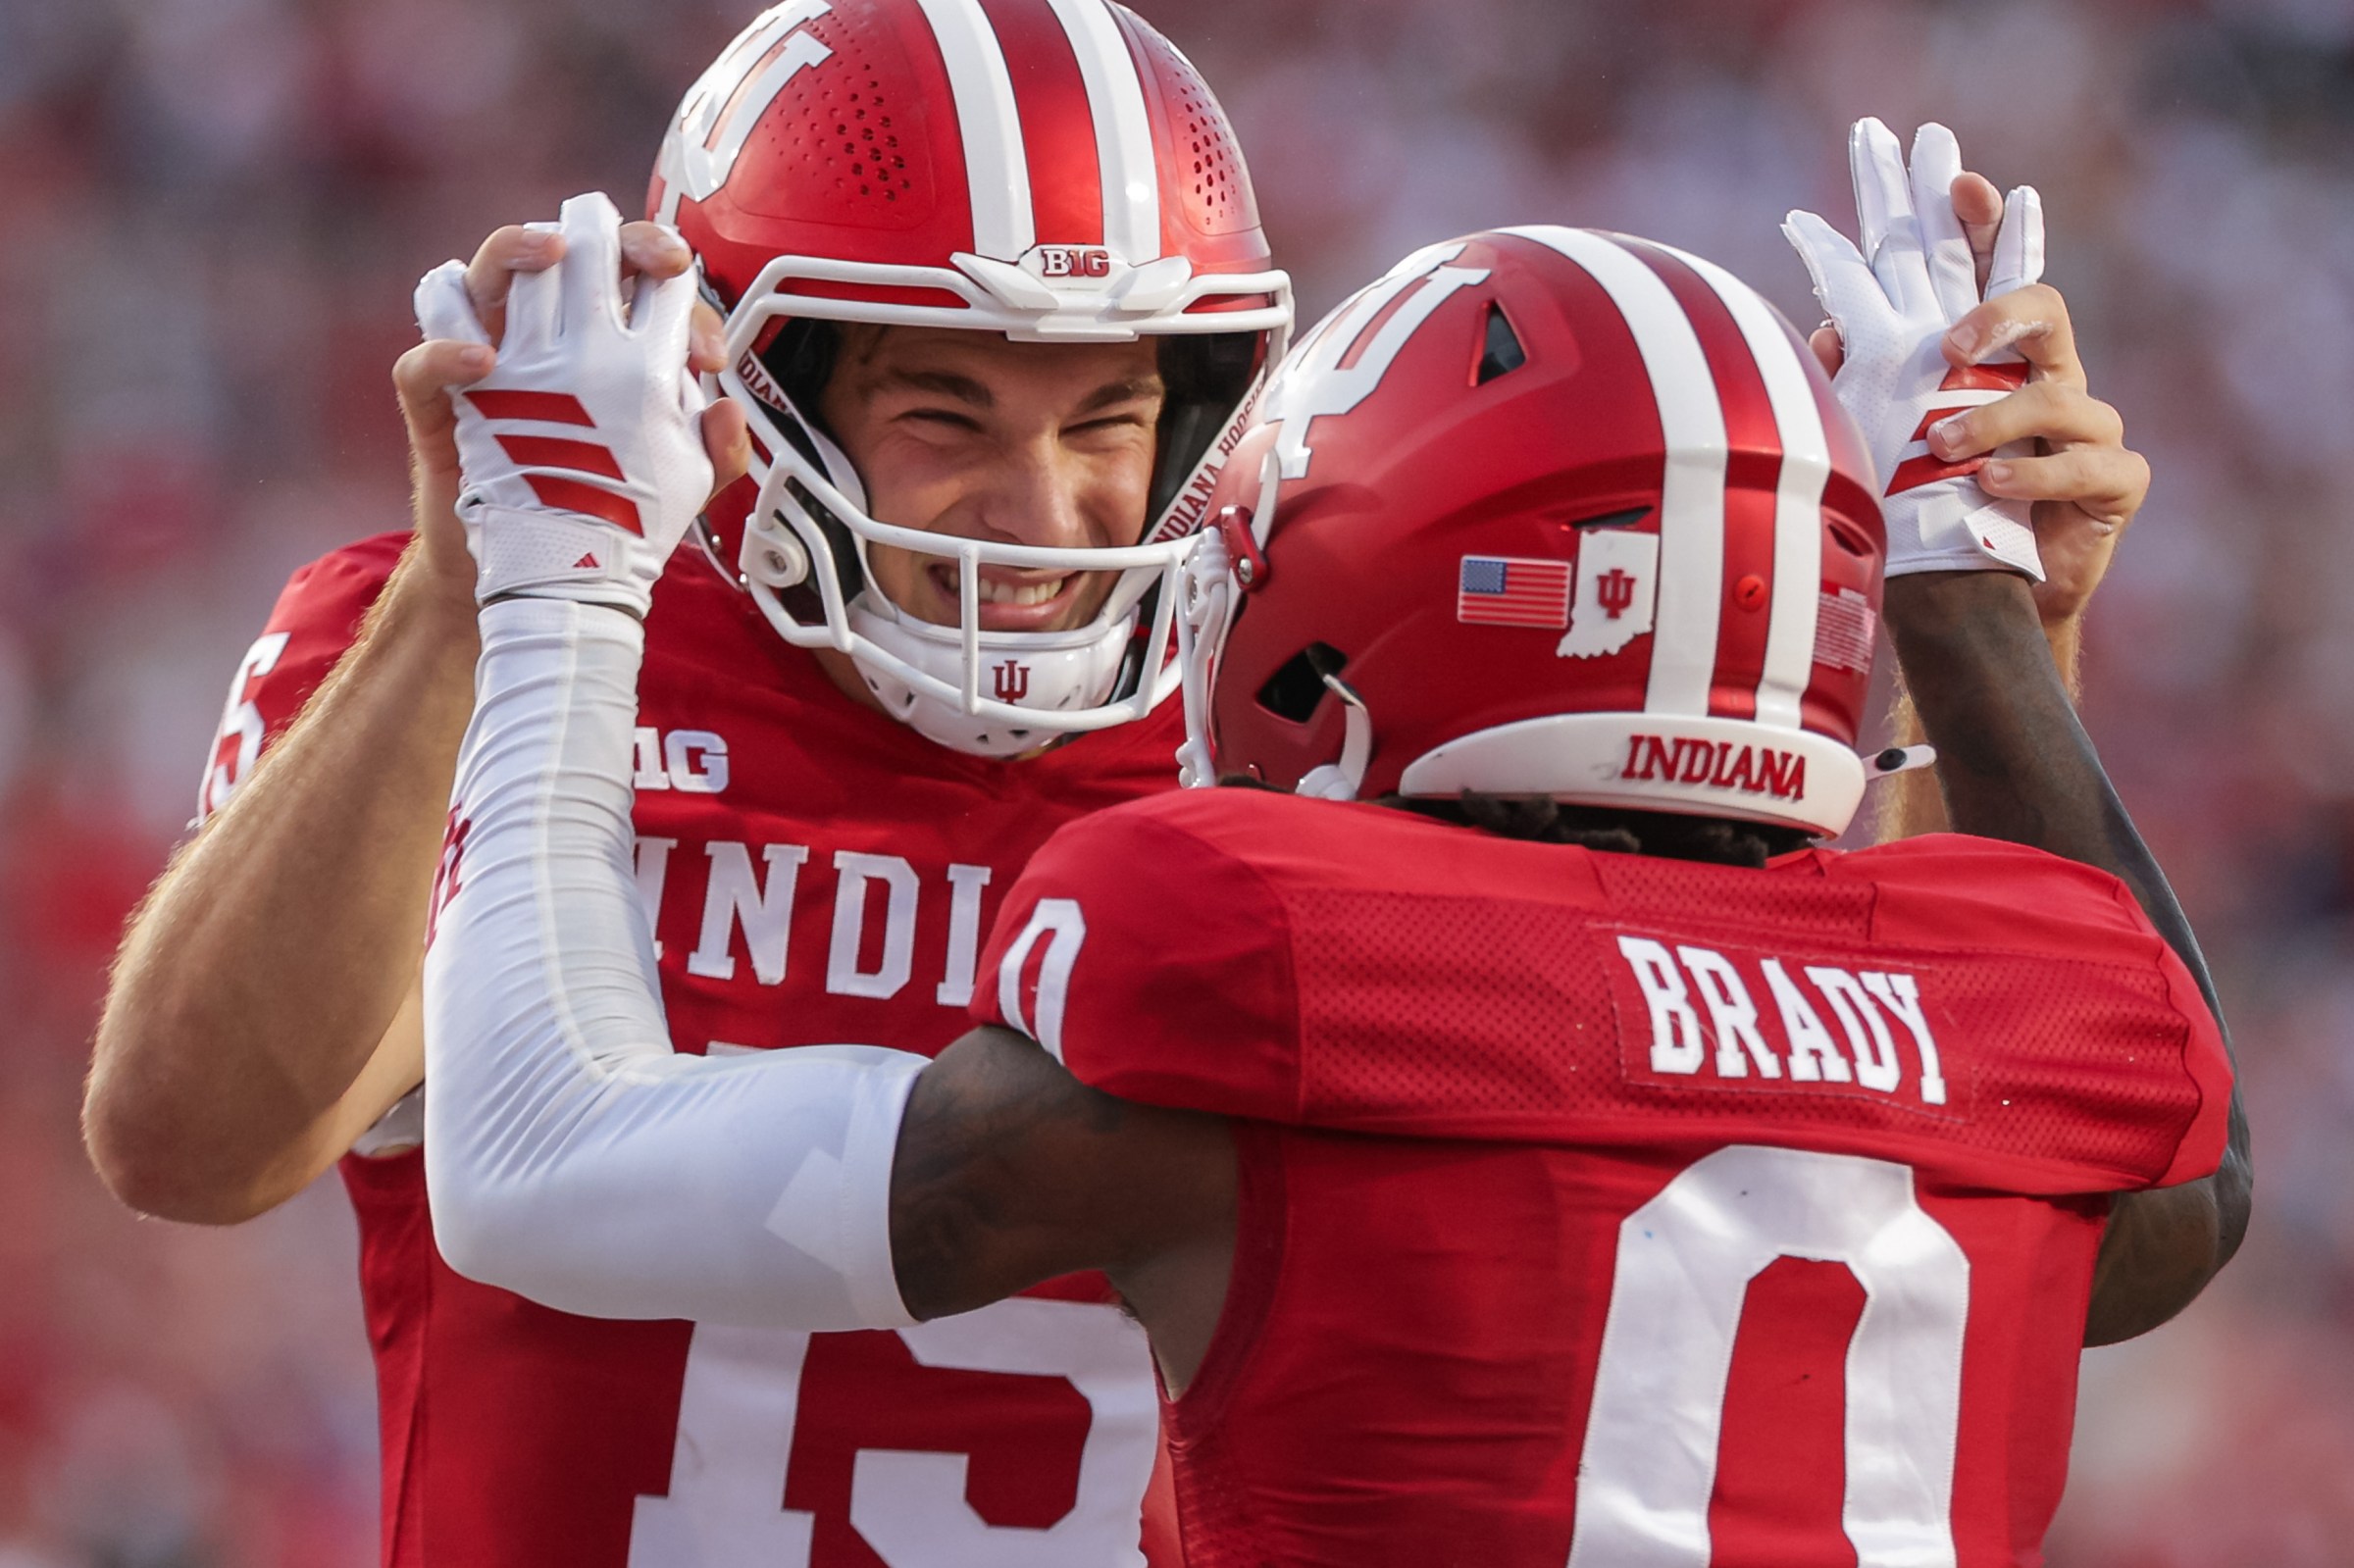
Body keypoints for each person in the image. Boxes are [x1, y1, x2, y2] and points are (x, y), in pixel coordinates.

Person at [414, 188, 2247, 1565]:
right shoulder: (2016, 1028)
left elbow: (536, 1165)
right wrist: (1972, 589)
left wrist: (564, 571)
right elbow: (2187, 1175)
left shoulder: (1296, 979)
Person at [88, 3, 1289, 1560]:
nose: (1040, 511)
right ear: (750, 382)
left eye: (1108, 418)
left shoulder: (1270, 741)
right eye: (945, 414)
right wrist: (477, 593)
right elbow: (188, 1146)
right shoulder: (504, 643)